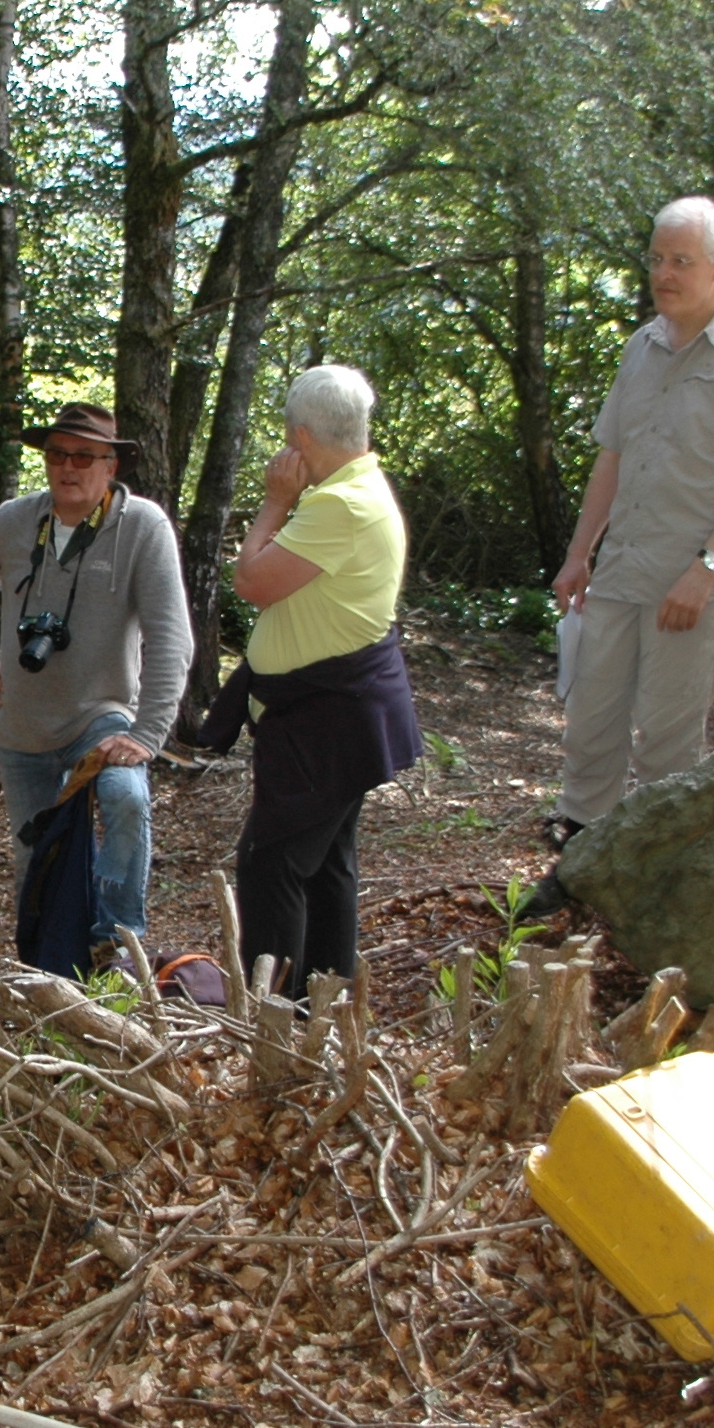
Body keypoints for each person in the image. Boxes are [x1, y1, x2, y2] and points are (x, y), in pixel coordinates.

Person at [543, 198, 714, 880]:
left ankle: (656, 879)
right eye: (657, 258)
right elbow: (613, 457)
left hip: (697, 578)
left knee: (666, 736)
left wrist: (706, 567)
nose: (665, 273)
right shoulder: (643, 346)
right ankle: (577, 860)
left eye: (681, 261)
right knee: (591, 716)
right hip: (625, 563)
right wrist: (578, 553)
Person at [0, 401, 190, 963]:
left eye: (83, 456)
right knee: (38, 861)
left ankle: (118, 942)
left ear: (111, 466)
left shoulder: (141, 527)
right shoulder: (15, 520)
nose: (67, 468)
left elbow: (172, 637)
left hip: (99, 716)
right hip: (23, 727)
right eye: (56, 455)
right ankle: (52, 973)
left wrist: (147, 734)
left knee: (124, 798)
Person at [213, 367, 420, 993]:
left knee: (271, 864)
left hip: (327, 721)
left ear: (300, 436)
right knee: (326, 864)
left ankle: (277, 1024)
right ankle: (319, 1011)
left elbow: (251, 581)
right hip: (335, 716)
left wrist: (275, 502)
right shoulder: (356, 489)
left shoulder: (340, 503)